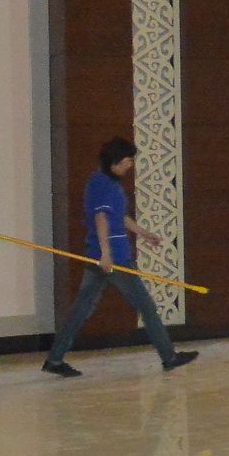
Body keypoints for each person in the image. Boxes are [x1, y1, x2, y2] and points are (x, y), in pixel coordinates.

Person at [42, 137, 200, 377]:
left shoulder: (101, 182)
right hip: (114, 259)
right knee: (146, 306)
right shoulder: (105, 184)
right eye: (127, 161)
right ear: (114, 161)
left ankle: (54, 359)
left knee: (81, 310)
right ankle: (169, 356)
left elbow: (118, 217)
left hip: (99, 256)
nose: (130, 165)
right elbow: (101, 219)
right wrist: (106, 254)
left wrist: (144, 233)